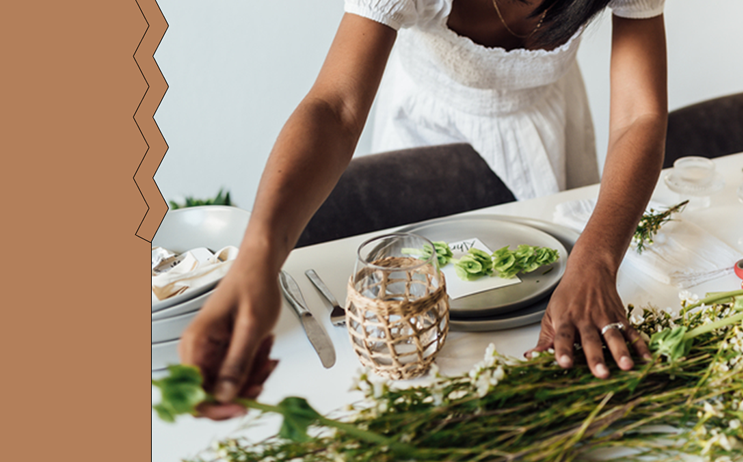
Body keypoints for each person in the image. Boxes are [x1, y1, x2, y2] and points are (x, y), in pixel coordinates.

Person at [180, 0, 666, 420]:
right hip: (426, 140)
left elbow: (639, 114)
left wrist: (595, 258)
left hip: (548, 131)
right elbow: (336, 107)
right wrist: (258, 259)